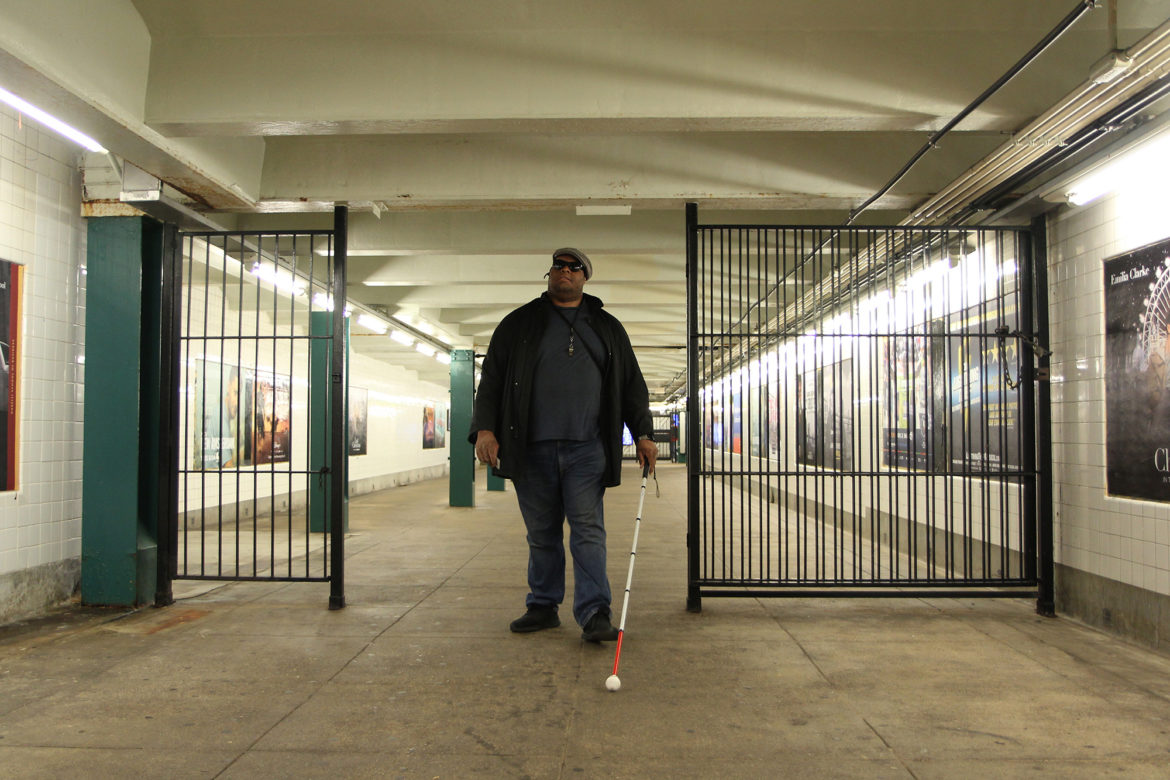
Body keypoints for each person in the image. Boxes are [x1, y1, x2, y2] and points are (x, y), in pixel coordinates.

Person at [469, 247, 657, 642]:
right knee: (542, 533)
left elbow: (631, 385)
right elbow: (492, 380)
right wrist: (485, 428)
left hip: (588, 449)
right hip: (531, 448)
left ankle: (594, 614)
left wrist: (643, 433)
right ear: (549, 274)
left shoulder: (606, 327)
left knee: (588, 530)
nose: (565, 272)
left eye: (574, 268)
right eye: (559, 266)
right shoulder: (518, 324)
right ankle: (542, 605)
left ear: (585, 278)